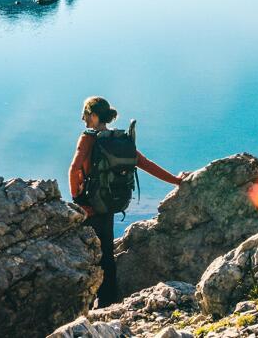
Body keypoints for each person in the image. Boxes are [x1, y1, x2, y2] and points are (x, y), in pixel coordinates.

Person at [68, 96, 184, 307]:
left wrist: (77, 199)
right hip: (109, 203)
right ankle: (108, 301)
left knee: (83, 256)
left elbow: (74, 168)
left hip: (88, 204)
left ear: (94, 116)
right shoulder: (121, 140)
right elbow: (146, 164)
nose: (83, 119)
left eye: (85, 114)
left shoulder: (88, 138)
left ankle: (87, 305)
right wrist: (176, 180)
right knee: (106, 254)